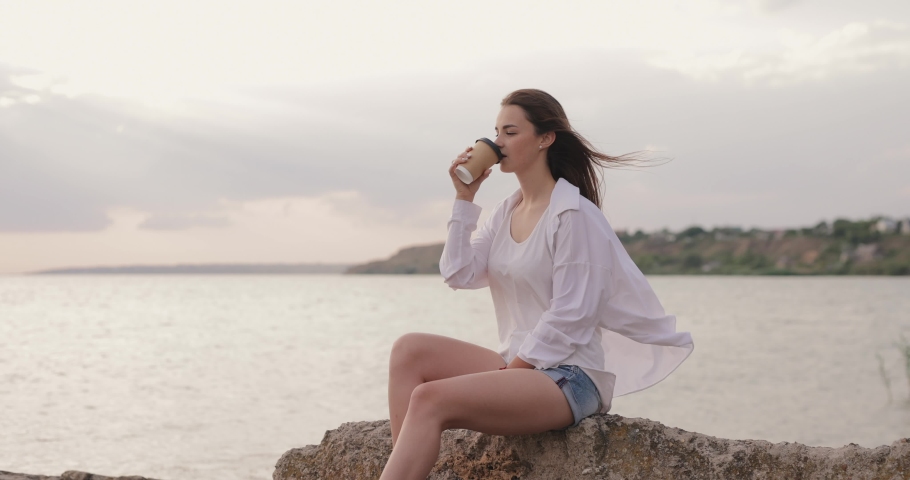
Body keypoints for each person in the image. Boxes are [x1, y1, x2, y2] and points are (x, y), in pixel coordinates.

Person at [380, 89, 694, 479]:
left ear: (545, 138)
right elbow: (458, 273)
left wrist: (513, 371)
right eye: (496, 132)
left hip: (571, 378)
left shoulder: (574, 215)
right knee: (409, 350)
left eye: (510, 132)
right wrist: (464, 199)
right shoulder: (505, 212)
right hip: (522, 366)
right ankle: (408, 464)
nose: (498, 142)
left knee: (429, 398)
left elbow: (572, 315)